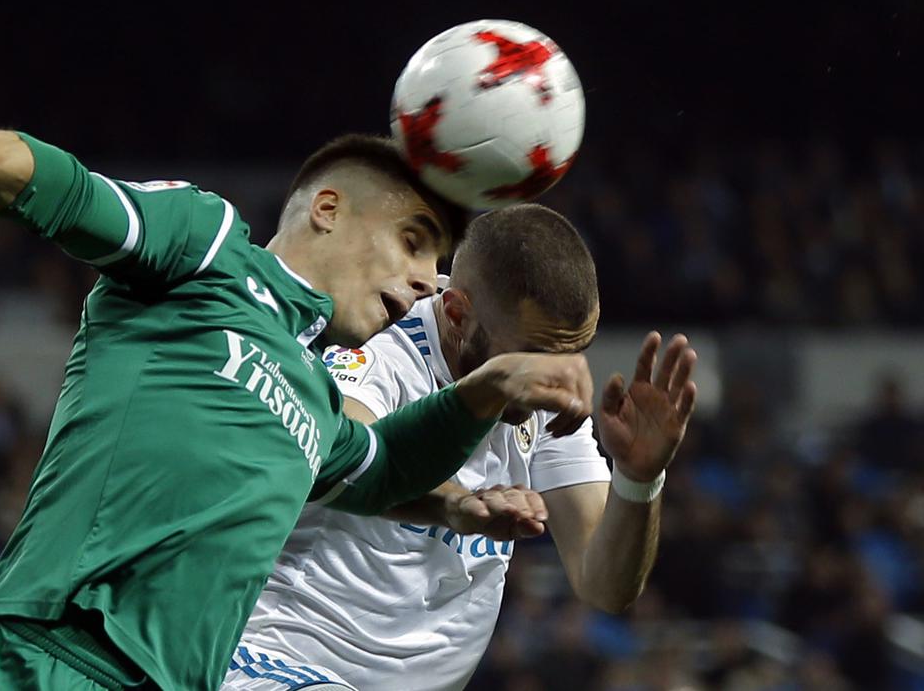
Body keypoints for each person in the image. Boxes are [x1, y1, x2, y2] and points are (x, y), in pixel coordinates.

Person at [0, 49, 598, 691]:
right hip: (45, 653)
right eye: (414, 241)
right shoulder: (208, 250)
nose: (430, 280)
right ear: (327, 209)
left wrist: (483, 405)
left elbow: (383, 467)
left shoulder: (317, 399)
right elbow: (72, 193)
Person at [225, 205, 698, 691]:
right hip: (279, 662)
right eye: (534, 354)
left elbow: (604, 584)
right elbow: (341, 454)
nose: (557, 374)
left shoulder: (549, 389)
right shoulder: (381, 344)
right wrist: (456, 501)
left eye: (574, 350)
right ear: (456, 313)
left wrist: (639, 478)